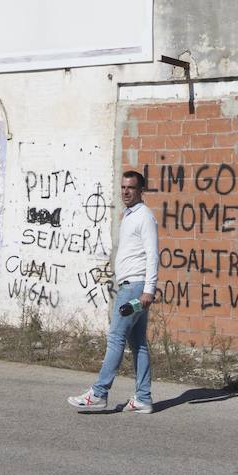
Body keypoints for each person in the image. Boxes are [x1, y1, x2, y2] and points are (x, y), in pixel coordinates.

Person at [68, 170, 158, 413]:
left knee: (116, 337)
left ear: (141, 191)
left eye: (130, 188)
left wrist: (148, 290)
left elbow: (152, 255)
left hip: (134, 288)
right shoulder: (129, 216)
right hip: (131, 285)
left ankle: (99, 393)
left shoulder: (144, 217)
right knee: (138, 343)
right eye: (123, 188)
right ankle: (143, 398)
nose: (125, 192)